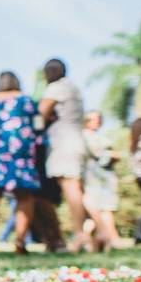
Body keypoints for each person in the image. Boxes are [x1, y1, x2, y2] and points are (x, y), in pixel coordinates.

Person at [0, 71, 40, 256]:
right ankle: (20, 243)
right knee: (24, 196)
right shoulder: (26, 100)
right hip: (20, 153)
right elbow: (38, 126)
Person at [39, 58, 89, 252]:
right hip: (76, 139)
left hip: (64, 142)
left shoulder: (56, 87)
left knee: (71, 187)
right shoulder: (73, 87)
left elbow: (40, 114)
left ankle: (80, 236)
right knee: (77, 188)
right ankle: (94, 233)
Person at [81, 111, 121, 251]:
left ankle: (88, 241)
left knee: (100, 211)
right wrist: (112, 155)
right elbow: (99, 154)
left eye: (98, 119)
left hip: (105, 177)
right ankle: (112, 238)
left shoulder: (99, 136)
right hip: (95, 177)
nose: (96, 122)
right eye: (92, 119)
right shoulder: (86, 136)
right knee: (102, 209)